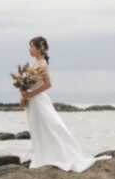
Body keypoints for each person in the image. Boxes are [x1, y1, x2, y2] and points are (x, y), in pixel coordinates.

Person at [19, 36, 95, 172]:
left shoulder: (42, 64)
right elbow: (29, 84)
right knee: (38, 129)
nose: (29, 49)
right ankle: (42, 157)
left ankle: (63, 155)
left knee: (52, 126)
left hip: (39, 101)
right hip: (33, 102)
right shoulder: (34, 65)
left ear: (39, 49)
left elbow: (48, 84)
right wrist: (24, 95)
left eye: (31, 47)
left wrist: (30, 94)